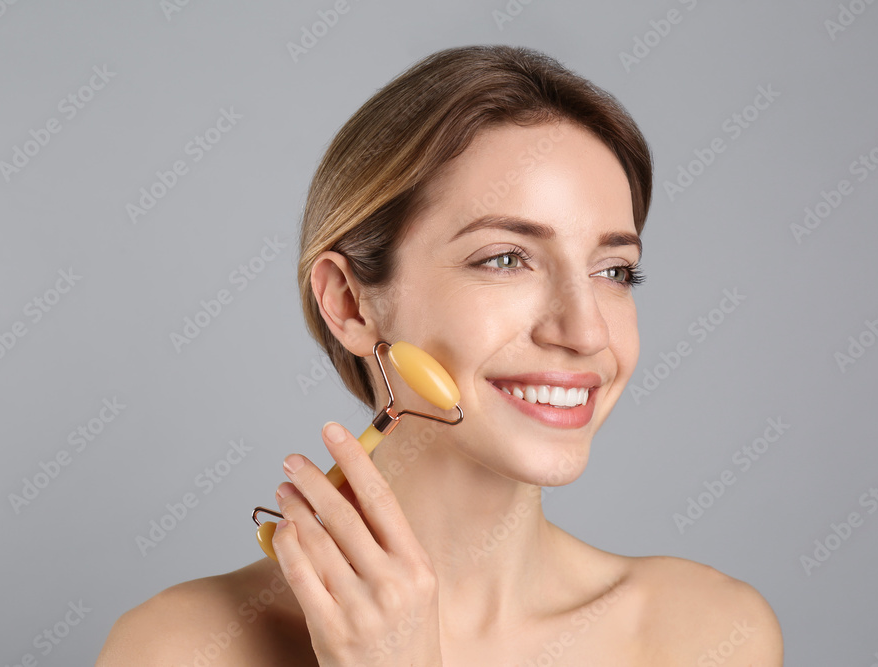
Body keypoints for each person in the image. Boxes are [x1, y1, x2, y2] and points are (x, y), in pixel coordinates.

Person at [98, 44, 783, 665]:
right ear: (349, 302)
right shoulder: (181, 649)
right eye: (507, 258)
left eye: (613, 271)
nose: (585, 331)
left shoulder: (709, 634)